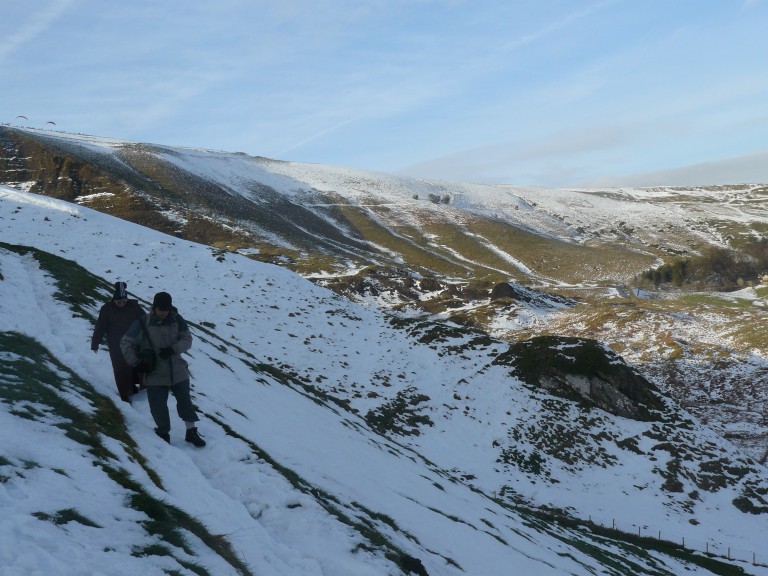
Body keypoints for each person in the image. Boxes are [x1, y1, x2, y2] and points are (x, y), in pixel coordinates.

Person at [120, 291, 206, 447]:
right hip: (154, 372)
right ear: (154, 307)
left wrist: (174, 349)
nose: (164, 313)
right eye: (161, 310)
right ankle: (163, 432)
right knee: (158, 406)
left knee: (185, 402)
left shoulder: (177, 319)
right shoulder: (141, 323)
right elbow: (126, 343)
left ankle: (191, 431)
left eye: (167, 310)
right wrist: (136, 362)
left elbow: (187, 339)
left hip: (178, 370)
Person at [91, 281, 146, 403]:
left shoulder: (134, 307)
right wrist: (95, 342)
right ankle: (126, 395)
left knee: (138, 365)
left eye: (124, 301)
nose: (122, 304)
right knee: (121, 370)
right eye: (119, 302)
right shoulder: (106, 309)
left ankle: (143, 391)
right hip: (116, 345)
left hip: (135, 343)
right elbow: (100, 326)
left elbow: (145, 322)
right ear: (114, 300)